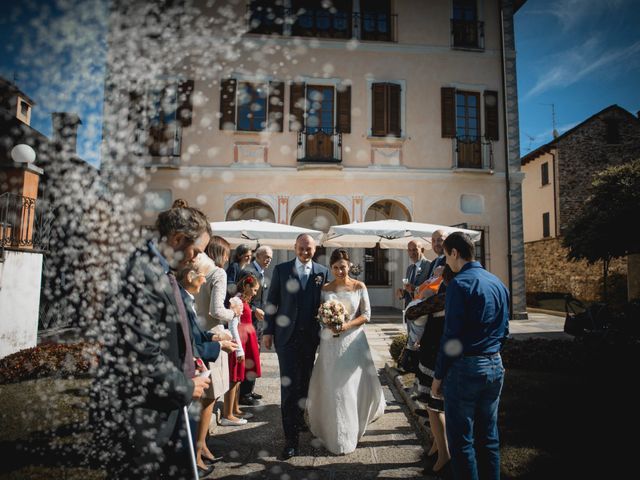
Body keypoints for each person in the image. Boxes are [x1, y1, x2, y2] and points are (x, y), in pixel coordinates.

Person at [90, 202, 212, 480]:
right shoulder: (140, 274)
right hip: (141, 415)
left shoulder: (158, 269)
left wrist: (188, 357)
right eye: (196, 251)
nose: (195, 259)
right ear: (178, 239)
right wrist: (185, 385)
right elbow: (141, 351)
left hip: (161, 407)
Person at [431, 232, 510, 480]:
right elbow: (505, 330)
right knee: (488, 436)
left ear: (454, 253)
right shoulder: (498, 283)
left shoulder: (459, 284)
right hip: (495, 364)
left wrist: (438, 375)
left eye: (446, 255)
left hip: (466, 368)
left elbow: (451, 336)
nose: (446, 262)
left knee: (461, 440)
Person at [306, 248, 386, 455]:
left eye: (343, 267)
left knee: (348, 384)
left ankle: (351, 425)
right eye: (335, 267)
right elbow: (320, 312)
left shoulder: (359, 286)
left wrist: (345, 326)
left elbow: (366, 315)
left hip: (352, 341)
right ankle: (330, 424)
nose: (340, 271)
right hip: (329, 343)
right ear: (331, 268)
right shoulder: (325, 288)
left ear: (349, 265)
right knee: (331, 383)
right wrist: (327, 321)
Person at [263, 233, 329, 460]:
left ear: (315, 249)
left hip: (311, 338)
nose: (304, 252)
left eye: (309, 248)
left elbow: (326, 303)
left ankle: (299, 419)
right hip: (286, 338)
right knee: (289, 387)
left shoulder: (323, 272)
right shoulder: (281, 270)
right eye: (301, 248)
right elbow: (272, 303)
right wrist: (268, 331)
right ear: (294, 248)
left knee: (305, 382)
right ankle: (290, 440)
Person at [177, 254, 238, 475]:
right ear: (191, 276)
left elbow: (195, 334)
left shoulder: (187, 298)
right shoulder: (183, 299)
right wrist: (234, 314)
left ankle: (198, 450)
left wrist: (214, 339)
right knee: (205, 399)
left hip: (207, 341)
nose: (204, 282)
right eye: (202, 278)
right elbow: (190, 344)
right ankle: (194, 457)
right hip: (189, 366)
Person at [406, 264, 456, 476]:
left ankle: (444, 456)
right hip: (440, 354)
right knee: (434, 407)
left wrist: (424, 293)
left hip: (434, 357)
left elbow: (412, 312)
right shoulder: (452, 297)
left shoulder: (443, 298)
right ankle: (437, 446)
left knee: (433, 407)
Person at [221, 272, 262, 426]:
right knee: (234, 378)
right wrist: (238, 349)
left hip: (245, 340)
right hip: (239, 342)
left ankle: (235, 409)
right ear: (246, 286)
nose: (255, 293)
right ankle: (227, 414)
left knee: (239, 378)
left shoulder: (243, 300)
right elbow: (232, 325)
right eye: (254, 289)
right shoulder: (236, 300)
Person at [239, 245, 273, 406]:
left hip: (257, 323)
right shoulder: (249, 271)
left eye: (271, 258)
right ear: (257, 256)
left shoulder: (261, 272)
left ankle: (249, 390)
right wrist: (253, 310)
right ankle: (244, 394)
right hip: (248, 320)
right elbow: (239, 297)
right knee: (249, 356)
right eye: (266, 257)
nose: (269, 260)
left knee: (255, 355)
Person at [397, 240, 431, 350]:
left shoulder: (429, 265)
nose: (412, 253)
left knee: (422, 343)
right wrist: (402, 293)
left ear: (422, 249)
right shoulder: (409, 268)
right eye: (410, 250)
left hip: (422, 312)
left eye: (415, 249)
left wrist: (414, 289)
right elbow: (408, 289)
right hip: (410, 310)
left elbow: (431, 288)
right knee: (411, 345)